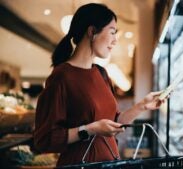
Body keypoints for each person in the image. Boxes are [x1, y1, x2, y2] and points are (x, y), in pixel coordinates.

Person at [33, 3, 166, 167]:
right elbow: (45, 139)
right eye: (112, 32)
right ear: (92, 32)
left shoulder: (101, 73)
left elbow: (114, 123)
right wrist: (90, 129)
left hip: (109, 163)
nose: (115, 40)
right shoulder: (61, 76)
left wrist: (142, 106)